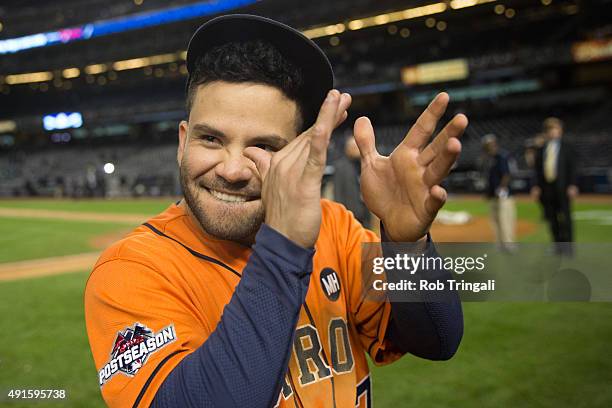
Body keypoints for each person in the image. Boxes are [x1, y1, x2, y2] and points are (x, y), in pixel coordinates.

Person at [84, 15, 466, 408]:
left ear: (301, 152)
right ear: (184, 142)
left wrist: (408, 247)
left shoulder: (334, 227)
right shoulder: (132, 269)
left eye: (264, 147)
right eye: (211, 139)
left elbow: (438, 339)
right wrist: (284, 246)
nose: (232, 170)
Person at [532, 117, 578, 255]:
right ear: (546, 132)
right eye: (550, 129)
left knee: (566, 217)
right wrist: (536, 186)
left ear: (560, 130)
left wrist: (572, 184)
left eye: (555, 129)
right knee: (552, 218)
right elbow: (538, 170)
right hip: (547, 188)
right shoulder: (541, 149)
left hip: (563, 187)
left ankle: (569, 248)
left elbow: (573, 167)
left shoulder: (567, 147)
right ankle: (557, 245)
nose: (553, 132)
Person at [481, 134, 516, 251]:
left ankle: (509, 244)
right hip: (492, 195)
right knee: (495, 221)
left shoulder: (503, 156)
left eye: (490, 144)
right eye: (487, 145)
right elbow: (488, 178)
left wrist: (502, 188)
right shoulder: (488, 159)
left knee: (505, 219)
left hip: (503, 194)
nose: (489, 147)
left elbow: (507, 174)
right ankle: (499, 244)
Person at [333, 136, 369, 226]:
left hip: (364, 214)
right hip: (349, 215)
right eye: (354, 147)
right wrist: (341, 215)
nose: (357, 150)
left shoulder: (363, 165)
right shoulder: (340, 166)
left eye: (358, 147)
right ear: (347, 149)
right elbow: (338, 193)